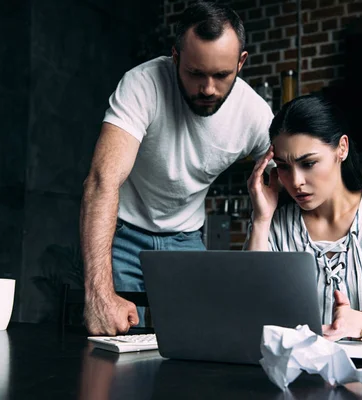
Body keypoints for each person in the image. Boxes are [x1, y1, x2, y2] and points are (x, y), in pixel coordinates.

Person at [81, 1, 274, 335]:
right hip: (122, 235)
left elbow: (294, 173)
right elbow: (102, 181)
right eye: (196, 73)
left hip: (185, 241)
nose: (208, 89)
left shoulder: (254, 115)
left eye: (222, 75)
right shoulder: (142, 85)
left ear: (241, 62)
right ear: (175, 57)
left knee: (198, 346)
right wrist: (97, 294)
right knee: (114, 355)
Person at [245, 95, 362, 343]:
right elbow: (252, 315)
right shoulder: (275, 221)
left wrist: (360, 323)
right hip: (298, 372)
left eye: (309, 163)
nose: (295, 181)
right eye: (283, 166)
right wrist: (261, 220)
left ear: (342, 149)